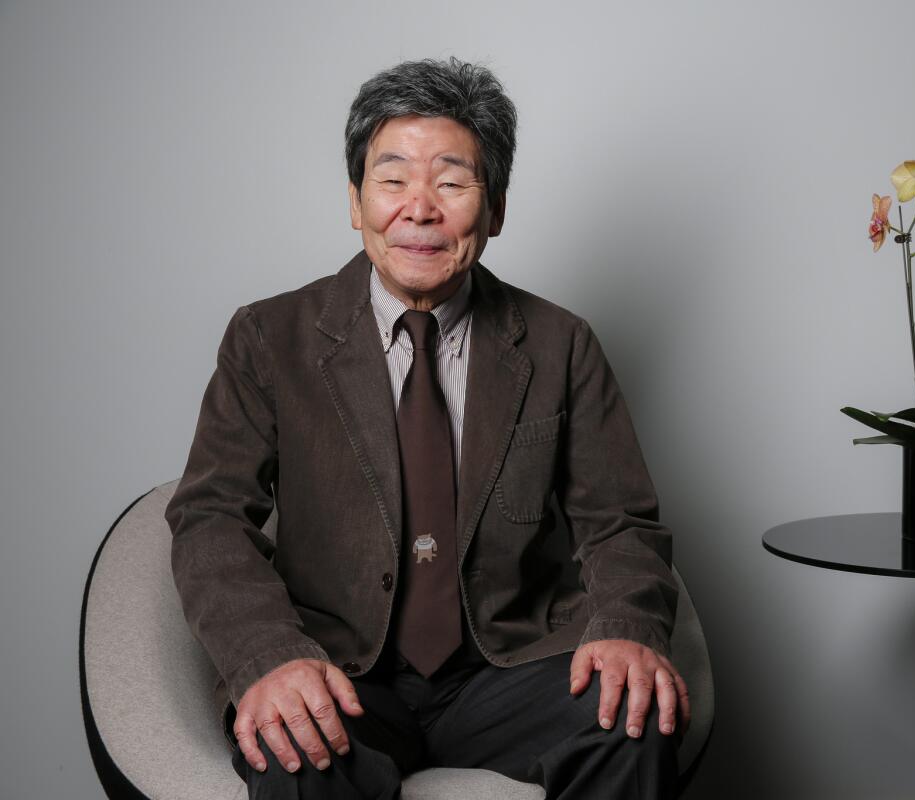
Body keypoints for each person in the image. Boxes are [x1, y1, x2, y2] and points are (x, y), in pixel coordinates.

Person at [165, 57, 687, 799]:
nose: (419, 208)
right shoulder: (268, 338)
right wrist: (268, 655)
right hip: (340, 668)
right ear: (355, 201)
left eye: (450, 181)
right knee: (297, 754)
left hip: (505, 668)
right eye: (391, 180)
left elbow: (621, 524)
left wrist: (628, 627)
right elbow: (210, 517)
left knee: (633, 722)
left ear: (495, 208)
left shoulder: (559, 343)